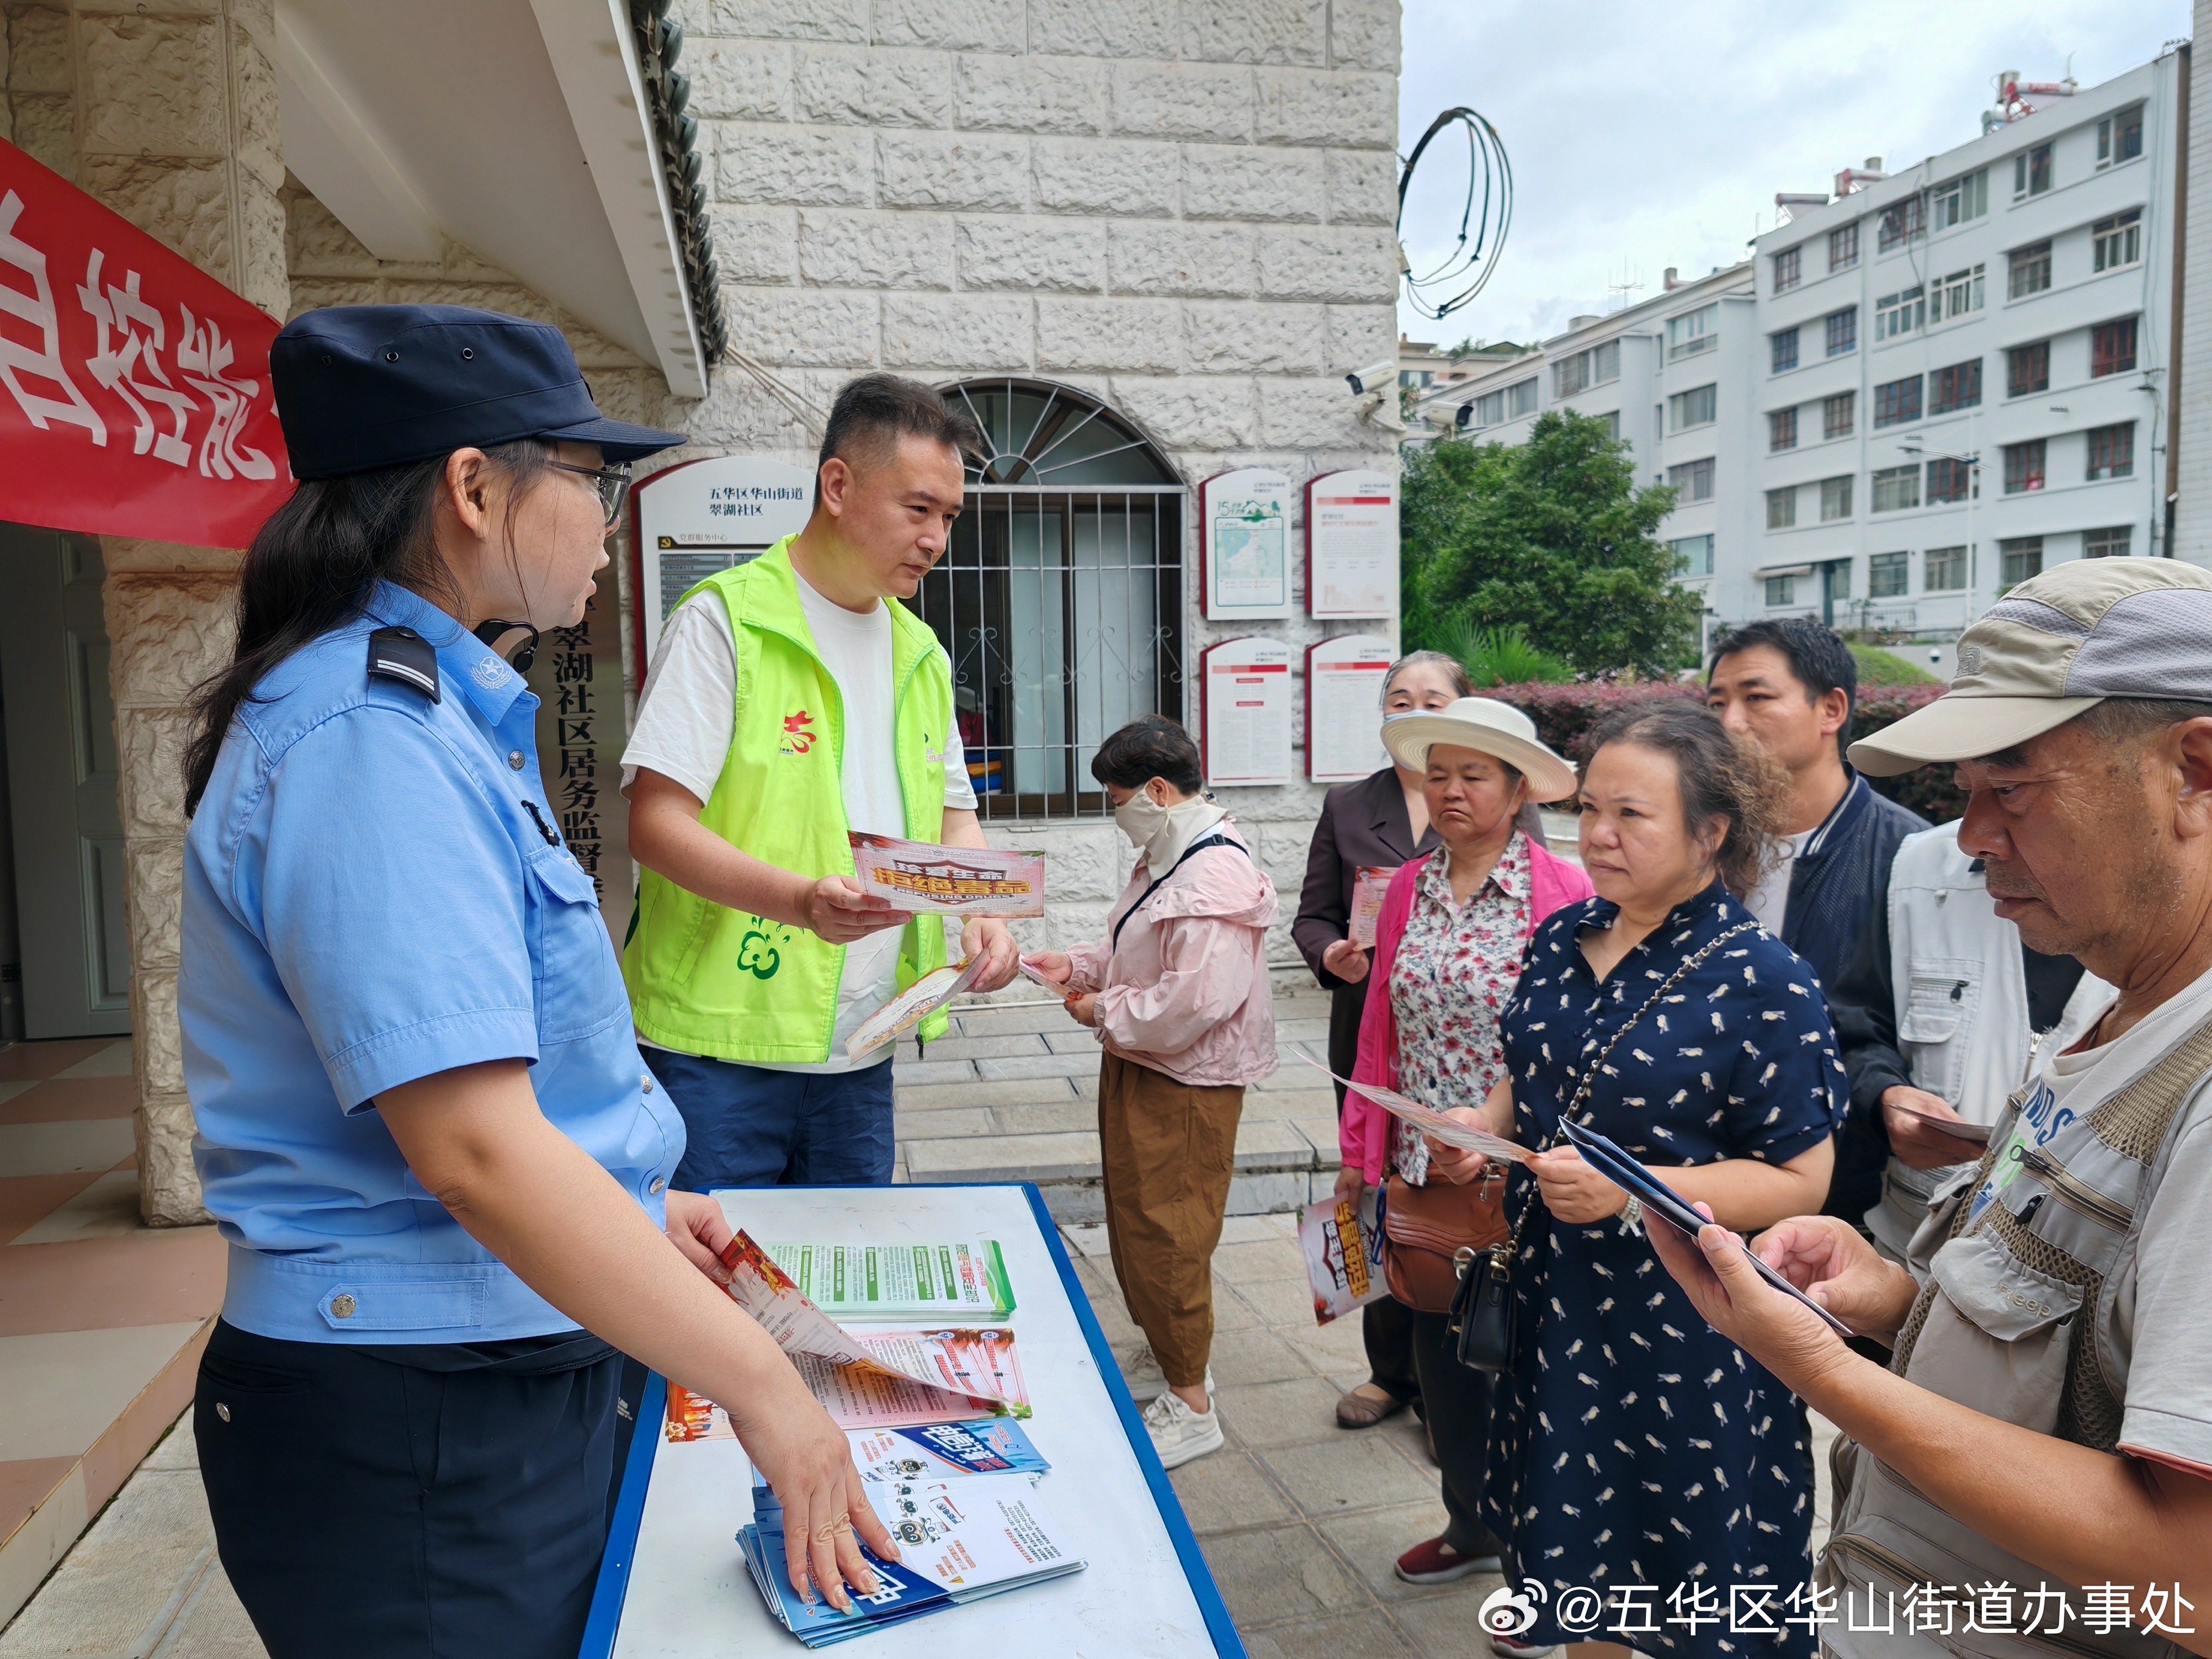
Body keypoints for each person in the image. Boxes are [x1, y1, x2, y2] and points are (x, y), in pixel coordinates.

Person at [178, 305, 899, 1658]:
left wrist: (634, 1197)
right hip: (418, 1416)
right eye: (592, 478)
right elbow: (473, 1153)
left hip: (468, 1375)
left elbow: (492, 1098)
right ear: (471, 489)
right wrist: (768, 1387)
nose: (606, 520)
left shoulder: (428, 716)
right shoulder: (367, 739)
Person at [1648, 560, 2212, 1656]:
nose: (1970, 837)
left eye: (2012, 787)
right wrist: (1899, 1302)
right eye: (1963, 793)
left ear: (2190, 768)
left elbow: (2191, 1575)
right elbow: (2091, 1364)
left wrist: (1813, 1369)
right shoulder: (2117, 1001)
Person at [1428, 701, 1844, 1659]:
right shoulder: (1563, 933)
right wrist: (1480, 1125)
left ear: (1712, 832)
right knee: (1576, 1554)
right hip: (1554, 1295)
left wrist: (1631, 1191)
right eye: (1590, 809)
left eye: (1631, 815)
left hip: (1683, 1321)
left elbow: (1797, 1179)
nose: (1599, 835)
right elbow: (1529, 1070)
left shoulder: (1761, 978)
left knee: (1684, 1568)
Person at [622, 374, 1019, 1191]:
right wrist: (800, 902)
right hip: (717, 1050)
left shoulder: (923, 655)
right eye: (918, 509)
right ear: (837, 486)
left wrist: (984, 912)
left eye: (949, 517)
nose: (936, 539)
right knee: (714, 1301)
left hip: (862, 1045)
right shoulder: (723, 622)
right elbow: (656, 826)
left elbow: (954, 821)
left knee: (841, 1299)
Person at [1328, 698, 1590, 1595]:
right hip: (1421, 1170)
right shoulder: (1405, 886)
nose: (1448, 791)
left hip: (1522, 1176)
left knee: (1525, 1369)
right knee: (1443, 1364)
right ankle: (1469, 1522)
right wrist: (1359, 1151)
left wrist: (1504, 1132)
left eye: (1471, 774)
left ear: (1517, 790)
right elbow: (1378, 1030)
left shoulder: (1566, 891)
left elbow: (1573, 1044)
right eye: (1435, 773)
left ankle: (1543, 1563)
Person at [1026, 716, 1277, 1470]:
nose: (1115, 814)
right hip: (1148, 1062)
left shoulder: (1212, 874)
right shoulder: (1173, 853)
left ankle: (1192, 1403)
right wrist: (1075, 966)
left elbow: (1195, 999)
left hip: (1185, 1078)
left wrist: (1103, 1010)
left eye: (1119, 799)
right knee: (1137, 1219)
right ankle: (1173, 1359)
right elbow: (1134, 943)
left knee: (1170, 1233)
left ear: (1159, 791)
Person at [1705, 618, 1925, 1225]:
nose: (1729, 723)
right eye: (1716, 702)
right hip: (1704, 1190)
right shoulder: (1704, 848)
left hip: (1845, 1209)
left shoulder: (1910, 858)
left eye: (1756, 697)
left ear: (1830, 709)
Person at [1294, 648, 1463, 1430]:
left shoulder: (1492, 799)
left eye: (1432, 698)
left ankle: (1451, 1387)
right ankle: (1389, 1373)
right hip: (1367, 1035)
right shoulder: (1350, 805)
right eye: (1400, 698)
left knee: (1455, 1205)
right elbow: (1314, 913)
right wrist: (1330, 954)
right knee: (1372, 1190)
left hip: (1462, 1047)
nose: (1413, 710)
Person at [1828, 819, 2109, 1258]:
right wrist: (1884, 1095)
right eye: (1966, 784)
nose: (1972, 833)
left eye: (2010, 789)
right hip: (1908, 1257)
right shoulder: (1918, 867)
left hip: (2067, 1283)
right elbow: (1857, 1027)